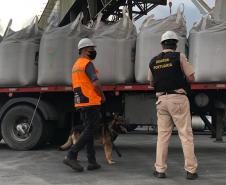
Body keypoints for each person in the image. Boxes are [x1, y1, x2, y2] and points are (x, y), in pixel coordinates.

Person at [148, 31, 198, 180]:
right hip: (178, 99)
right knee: (185, 135)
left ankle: (160, 170)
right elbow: (191, 77)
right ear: (175, 44)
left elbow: (151, 83)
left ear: (162, 44)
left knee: (162, 137)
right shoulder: (179, 56)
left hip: (161, 101)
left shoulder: (153, 61)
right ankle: (191, 171)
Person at [63, 38, 106, 172]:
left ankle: (92, 161)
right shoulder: (87, 64)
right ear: (84, 50)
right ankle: (71, 155)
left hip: (80, 101)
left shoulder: (76, 65)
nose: (94, 51)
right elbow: (96, 83)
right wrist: (102, 96)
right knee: (90, 130)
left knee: (89, 130)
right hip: (91, 101)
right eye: (91, 49)